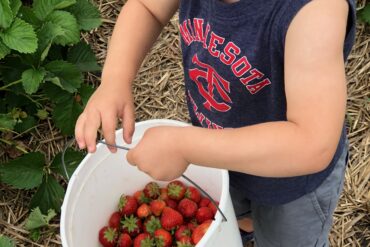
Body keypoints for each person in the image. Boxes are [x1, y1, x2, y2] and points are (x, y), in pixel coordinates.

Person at [75, 0, 356, 246]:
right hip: (219, 149)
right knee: (234, 206)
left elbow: (312, 143)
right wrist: (114, 79)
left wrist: (185, 147)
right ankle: (245, 224)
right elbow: (147, 7)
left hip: (292, 186)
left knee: (285, 236)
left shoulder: (316, 11)